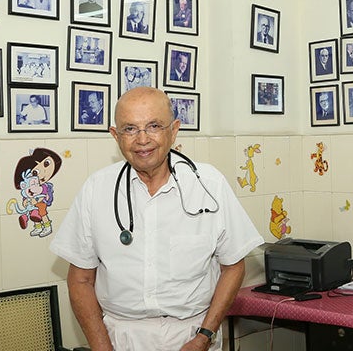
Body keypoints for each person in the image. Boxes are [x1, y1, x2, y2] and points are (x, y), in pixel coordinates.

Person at [50, 87, 263, 351]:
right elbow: (80, 279)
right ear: (115, 136)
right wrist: (102, 347)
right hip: (121, 338)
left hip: (192, 336)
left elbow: (233, 266)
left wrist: (204, 336)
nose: (142, 139)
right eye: (129, 129)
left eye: (153, 126)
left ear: (173, 131)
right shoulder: (96, 190)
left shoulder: (209, 185)